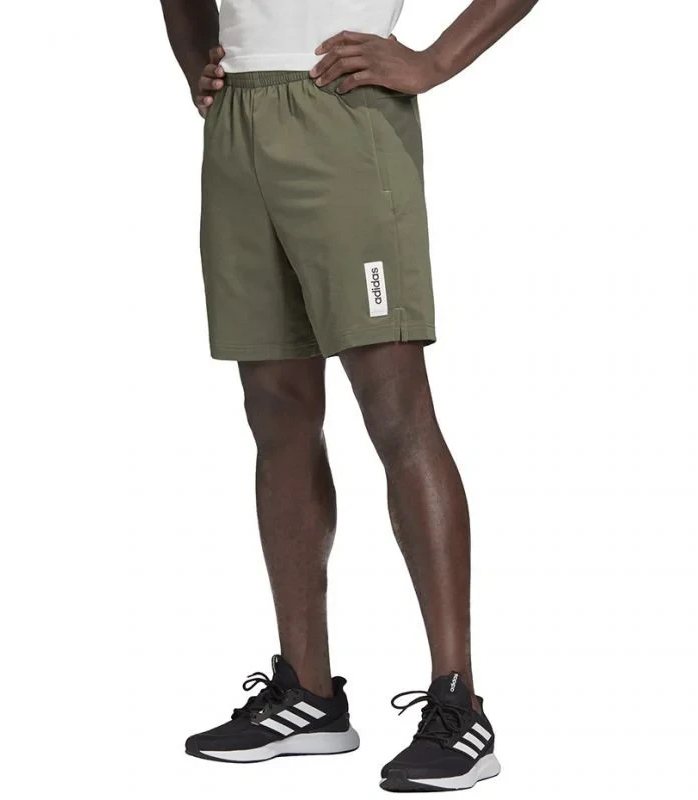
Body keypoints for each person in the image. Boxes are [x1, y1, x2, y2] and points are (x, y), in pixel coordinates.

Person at [160, 0, 537, 791]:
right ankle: (309, 694)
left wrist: (435, 61)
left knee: (395, 409)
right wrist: (200, 60)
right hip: (236, 124)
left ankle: (459, 707)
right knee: (277, 413)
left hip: (342, 109)